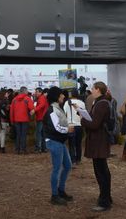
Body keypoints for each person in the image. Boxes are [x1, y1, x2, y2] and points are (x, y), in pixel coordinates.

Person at [79, 81, 112, 212]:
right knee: (102, 170)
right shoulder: (102, 102)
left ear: (98, 90)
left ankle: (104, 201)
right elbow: (95, 121)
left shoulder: (101, 104)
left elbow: (94, 124)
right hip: (100, 141)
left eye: (93, 88)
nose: (91, 90)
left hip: (98, 141)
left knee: (101, 172)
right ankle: (106, 198)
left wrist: (82, 119)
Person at [44, 86, 74, 205]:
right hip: (54, 141)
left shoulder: (57, 108)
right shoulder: (52, 110)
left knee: (67, 166)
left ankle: (60, 191)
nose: (63, 96)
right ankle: (54, 195)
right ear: (56, 96)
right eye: (61, 94)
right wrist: (68, 129)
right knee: (57, 168)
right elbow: (56, 127)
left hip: (59, 141)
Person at [9, 86, 35, 154]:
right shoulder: (27, 99)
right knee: (23, 135)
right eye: (27, 91)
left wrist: (12, 120)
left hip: (16, 120)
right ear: (24, 91)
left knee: (18, 134)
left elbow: (11, 111)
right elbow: (32, 108)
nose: (27, 92)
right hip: (25, 119)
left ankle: (17, 149)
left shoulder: (14, 100)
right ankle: (23, 149)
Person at [64, 90, 85, 165]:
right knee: (78, 144)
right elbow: (83, 114)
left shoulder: (67, 102)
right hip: (79, 125)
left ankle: (72, 160)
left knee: (71, 144)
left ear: (71, 94)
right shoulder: (82, 103)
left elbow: (64, 113)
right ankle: (78, 159)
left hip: (70, 125)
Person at [34, 87, 48, 153]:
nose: (35, 93)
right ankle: (44, 148)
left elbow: (41, 105)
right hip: (42, 118)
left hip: (40, 118)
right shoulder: (42, 98)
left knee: (39, 134)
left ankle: (38, 148)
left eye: (36, 92)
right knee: (43, 134)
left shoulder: (41, 98)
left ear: (40, 92)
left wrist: (34, 110)